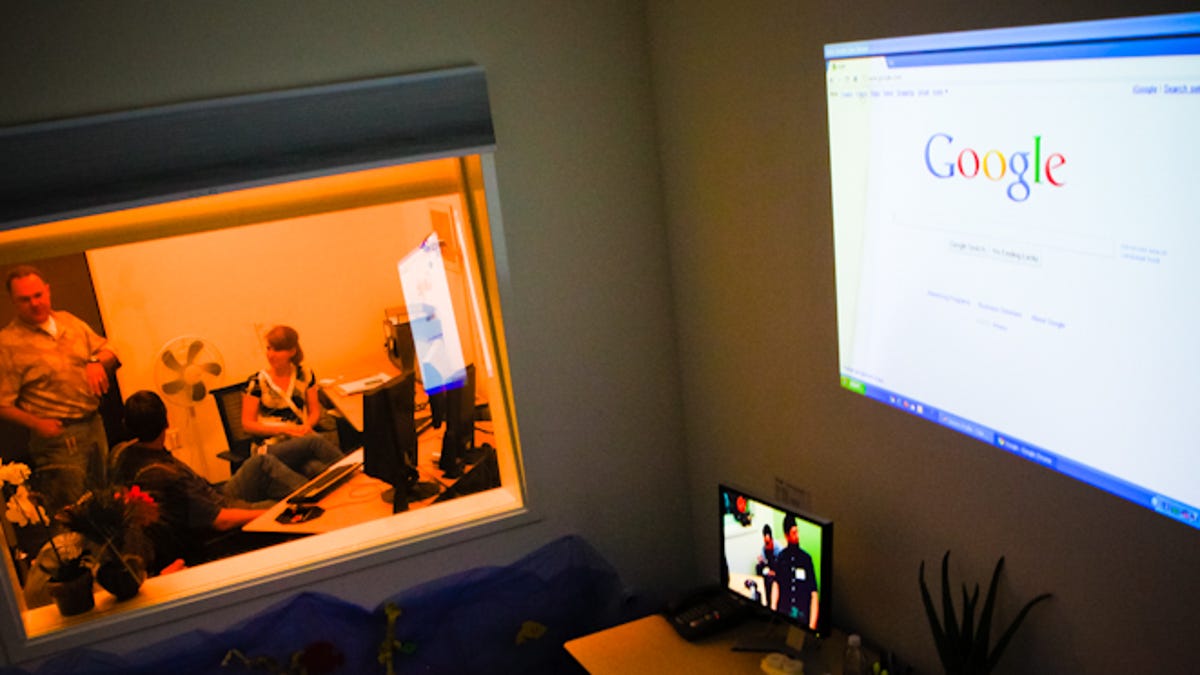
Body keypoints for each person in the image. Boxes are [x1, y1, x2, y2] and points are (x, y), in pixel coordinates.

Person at [110, 390, 310, 572]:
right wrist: (273, 512)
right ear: (166, 422)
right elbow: (222, 521)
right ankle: (313, 508)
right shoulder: (167, 475)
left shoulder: (122, 454)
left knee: (262, 462)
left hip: (213, 495)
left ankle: (312, 498)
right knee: (288, 509)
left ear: (127, 426)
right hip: (217, 523)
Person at [0, 265, 119, 512]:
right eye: (25, 299)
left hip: (94, 425)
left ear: (48, 290)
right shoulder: (7, 344)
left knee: (105, 502)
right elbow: (2, 404)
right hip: (58, 440)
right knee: (72, 510)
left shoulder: (68, 321)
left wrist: (95, 362)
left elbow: (110, 350)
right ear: (13, 301)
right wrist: (36, 423)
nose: (34, 303)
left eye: (38, 295)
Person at [240, 325, 342, 478]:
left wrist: (307, 426)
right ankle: (355, 471)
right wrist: (282, 429)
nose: (271, 355)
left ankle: (352, 481)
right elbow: (247, 424)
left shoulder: (305, 374)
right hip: (270, 445)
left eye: (277, 350)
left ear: (292, 351)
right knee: (315, 442)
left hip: (299, 440)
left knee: (316, 469)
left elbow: (314, 411)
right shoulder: (256, 382)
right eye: (269, 349)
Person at [770, 514, 820, 630]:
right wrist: (773, 609)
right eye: (793, 533)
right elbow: (776, 584)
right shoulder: (781, 557)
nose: (797, 536)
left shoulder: (806, 559)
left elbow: (814, 594)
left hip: (801, 614)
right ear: (786, 536)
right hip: (784, 611)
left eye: (797, 532)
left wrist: (812, 626)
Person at [755, 524, 783, 608]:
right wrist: (761, 560)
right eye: (765, 543)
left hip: (778, 569)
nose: (766, 546)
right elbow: (764, 560)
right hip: (769, 568)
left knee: (770, 580)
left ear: (771, 540)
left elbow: (783, 566)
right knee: (758, 567)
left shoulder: (779, 549)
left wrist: (774, 572)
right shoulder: (764, 548)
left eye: (768, 543)